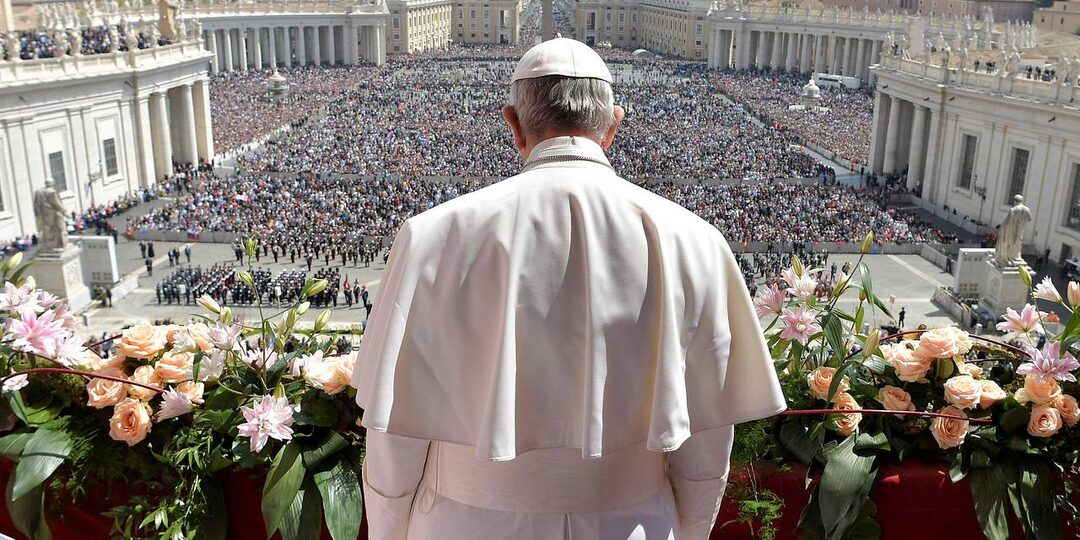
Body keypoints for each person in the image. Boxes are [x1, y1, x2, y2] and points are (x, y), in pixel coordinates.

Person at [354, 39, 785, 540]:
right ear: (613, 126)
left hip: (463, 524)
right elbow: (706, 447)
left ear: (513, 123)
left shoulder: (432, 235)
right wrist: (687, 531)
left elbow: (395, 438)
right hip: (635, 525)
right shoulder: (695, 240)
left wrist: (388, 532)